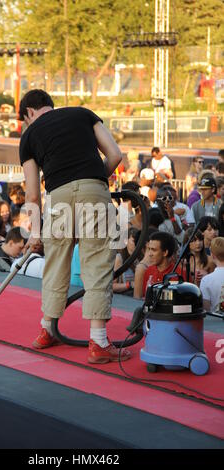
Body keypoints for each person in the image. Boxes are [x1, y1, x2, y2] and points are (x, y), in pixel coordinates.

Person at [19, 88, 131, 364]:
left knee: (55, 263)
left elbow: (33, 194)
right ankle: (99, 342)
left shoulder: (29, 135)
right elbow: (115, 155)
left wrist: (35, 233)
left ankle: (47, 330)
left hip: (57, 197)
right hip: (94, 190)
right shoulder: (82, 114)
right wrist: (94, 179)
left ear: (29, 112)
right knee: (97, 263)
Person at [142, 231, 183, 298]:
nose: (150, 254)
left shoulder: (180, 274)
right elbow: (142, 298)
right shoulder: (149, 271)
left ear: (165, 252)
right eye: (149, 249)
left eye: (154, 250)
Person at [200, 237, 224, 313]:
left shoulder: (206, 280)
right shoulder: (206, 280)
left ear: (212, 255)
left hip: (216, 322)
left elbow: (206, 309)